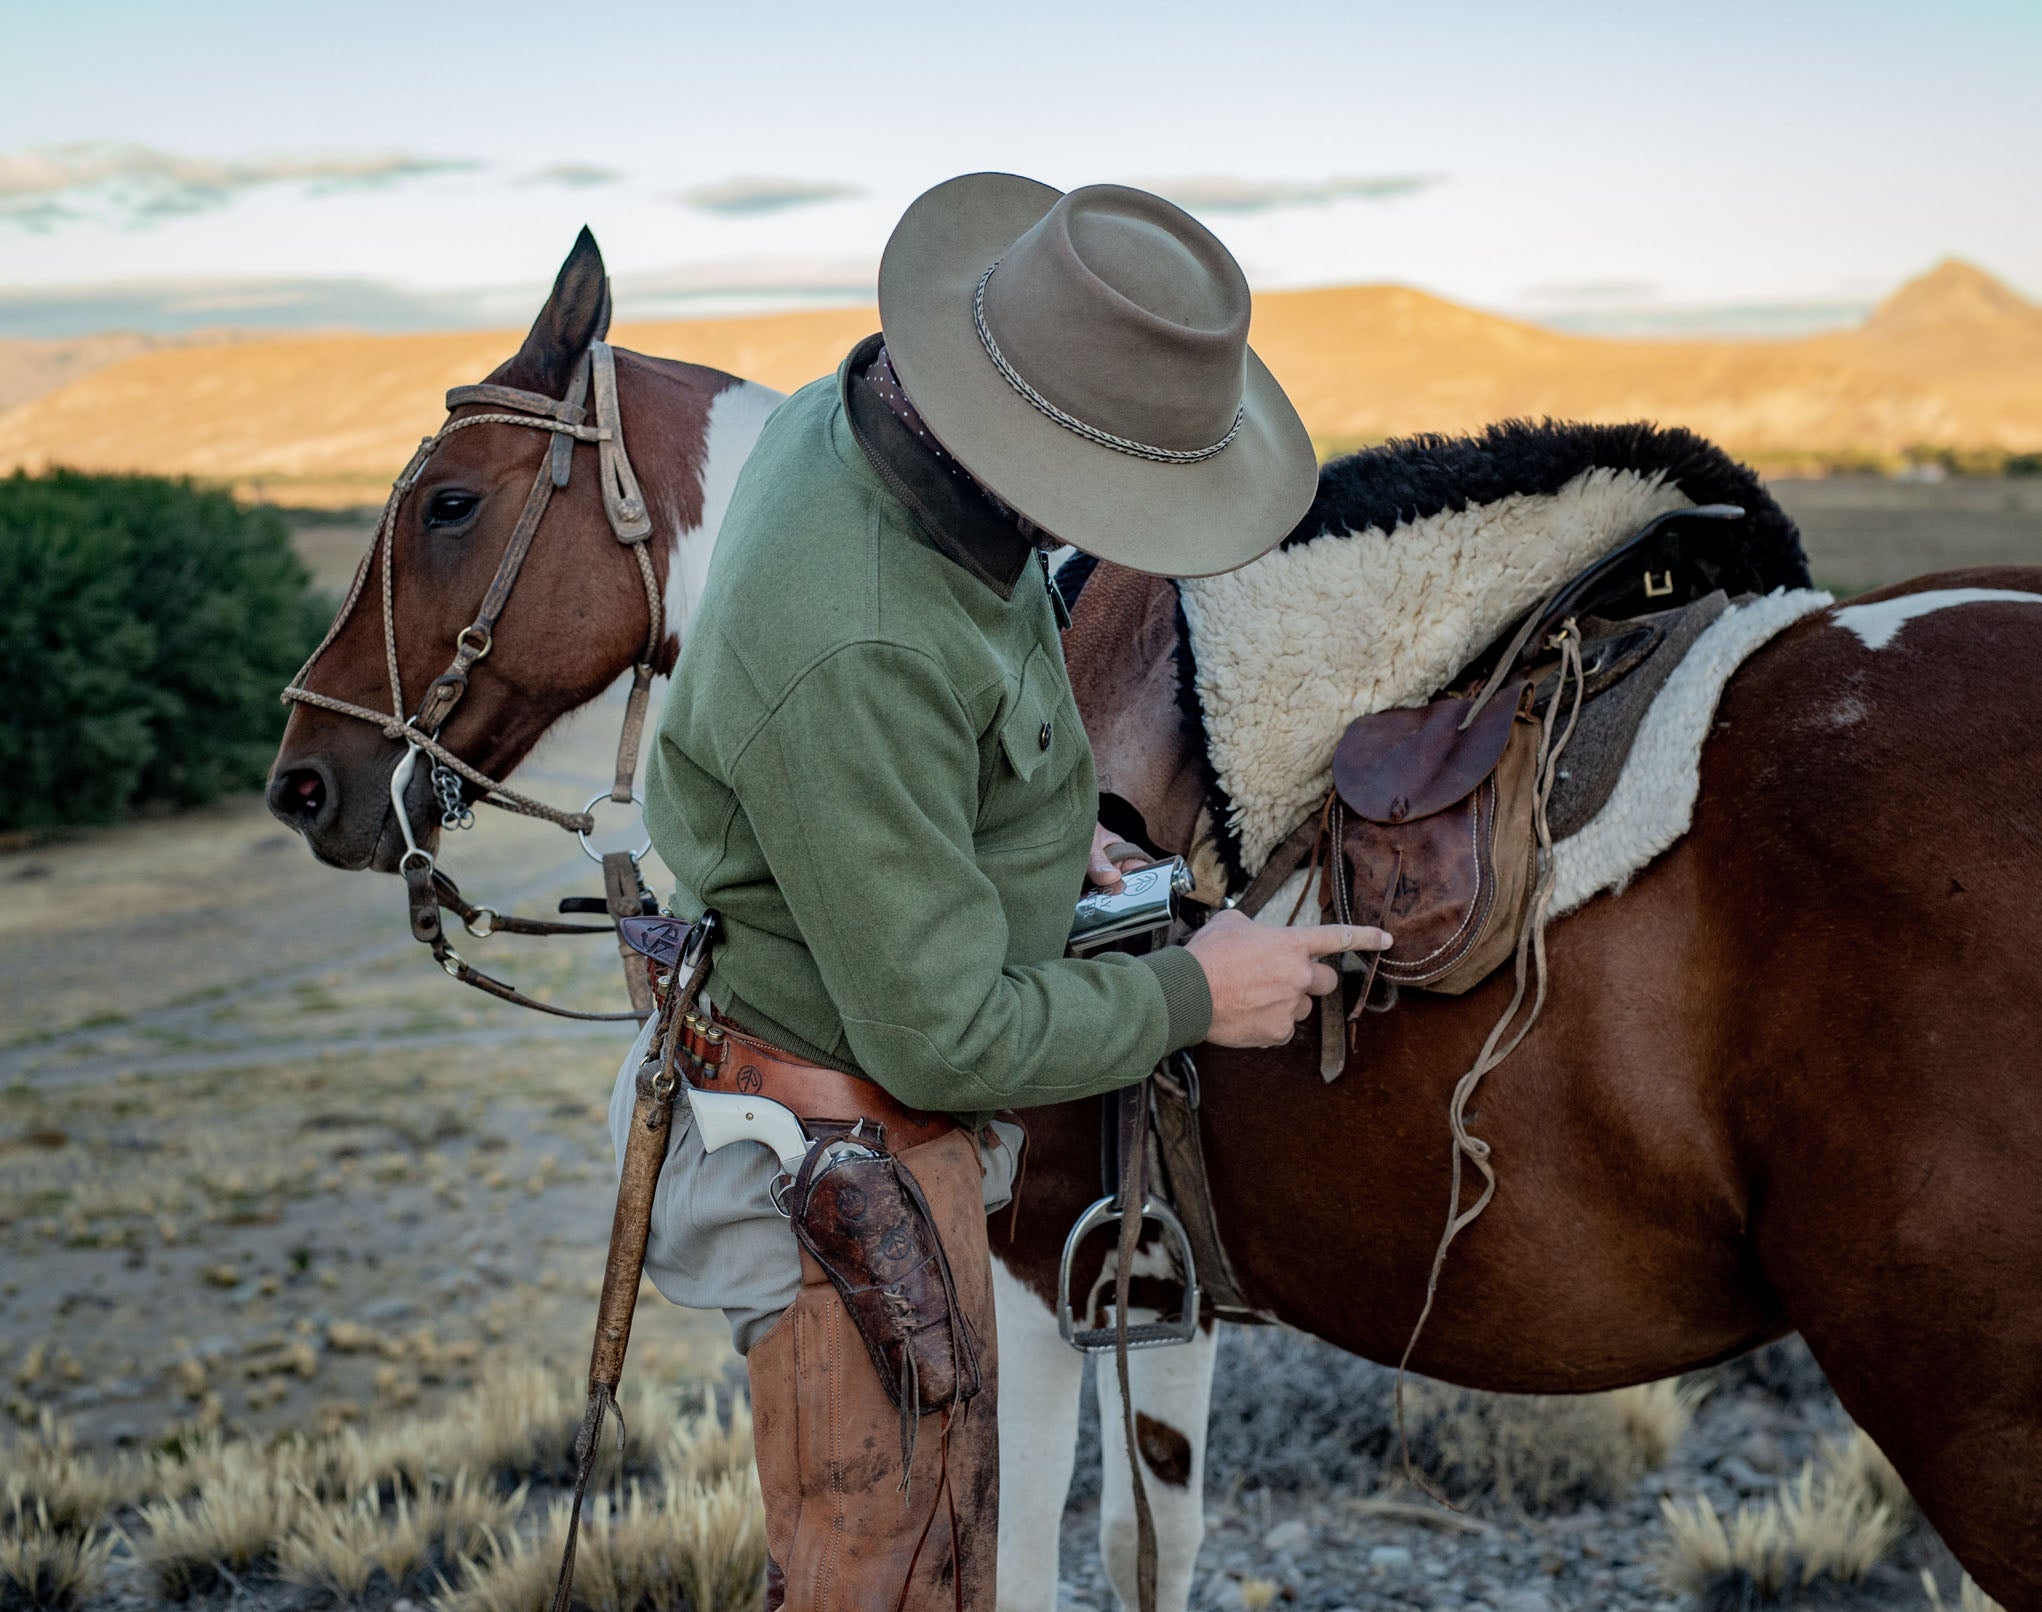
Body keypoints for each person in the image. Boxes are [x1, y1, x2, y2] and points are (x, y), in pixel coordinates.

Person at [612, 172, 1391, 1611]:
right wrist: (1194, 995)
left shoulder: (848, 422)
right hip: (837, 1134)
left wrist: (1032, 836)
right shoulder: (859, 640)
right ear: (1007, 445)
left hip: (857, 1053)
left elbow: (953, 711)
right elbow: (944, 1041)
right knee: (892, 1565)